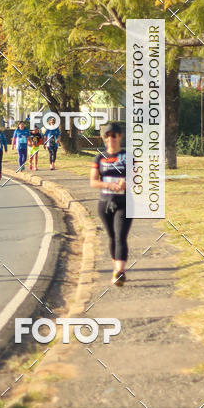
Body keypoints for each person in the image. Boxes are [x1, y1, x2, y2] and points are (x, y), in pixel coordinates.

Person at [89, 122, 132, 286]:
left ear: (120, 137)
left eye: (113, 136)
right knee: (112, 237)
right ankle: (116, 268)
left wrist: (126, 183)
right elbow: (93, 181)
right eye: (107, 136)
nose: (110, 139)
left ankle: (120, 271)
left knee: (121, 236)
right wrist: (108, 185)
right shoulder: (100, 158)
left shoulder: (127, 157)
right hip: (105, 203)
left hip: (124, 203)